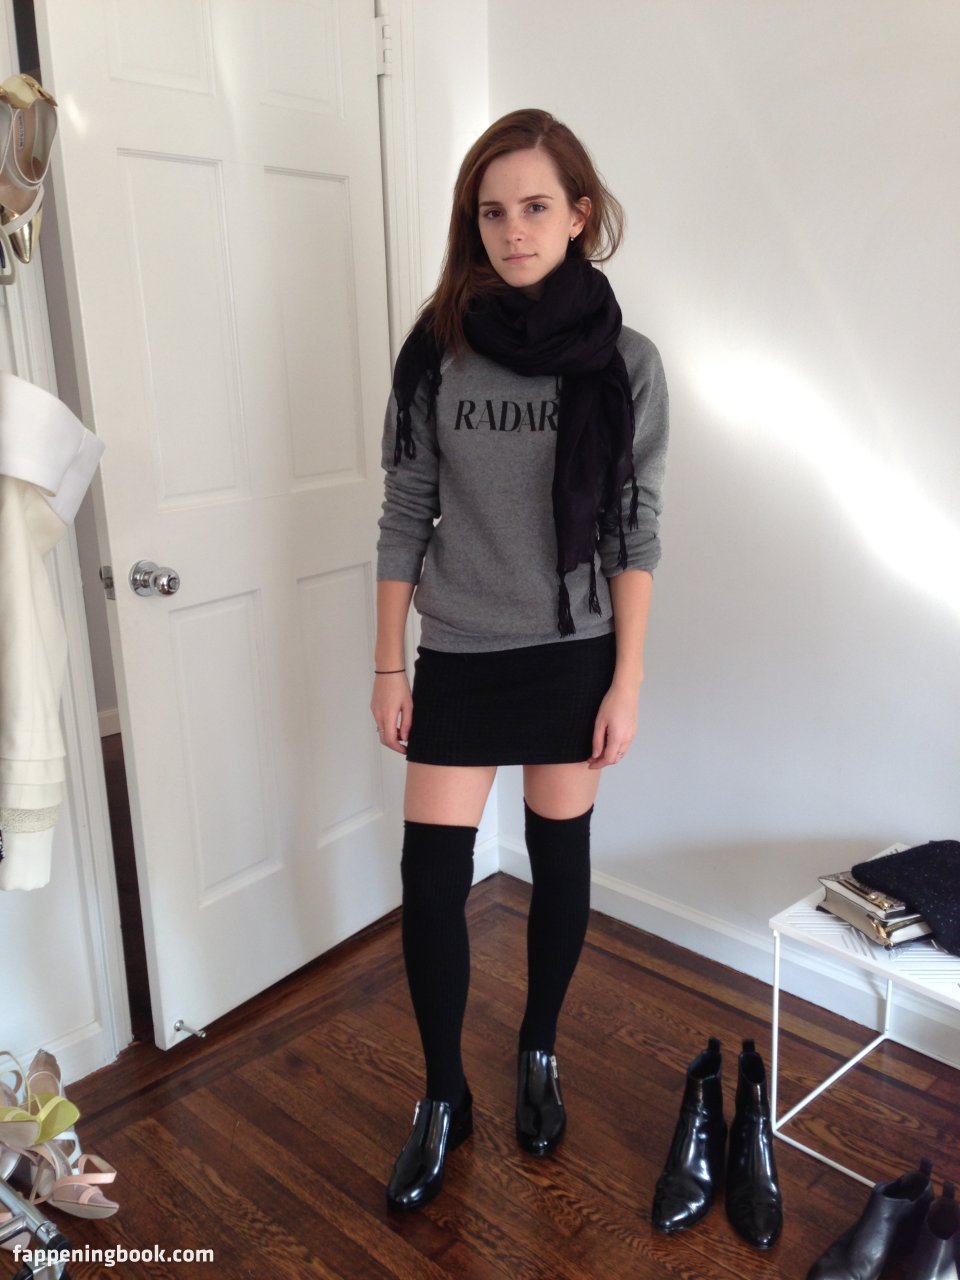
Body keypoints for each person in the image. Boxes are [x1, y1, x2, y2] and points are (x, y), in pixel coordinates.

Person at [371, 108, 669, 1213]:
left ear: (580, 213)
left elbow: (634, 532)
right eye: (492, 212)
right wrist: (389, 665)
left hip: (573, 649)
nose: (513, 231)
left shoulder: (627, 363)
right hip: (459, 645)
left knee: (560, 856)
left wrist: (627, 681)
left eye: (536, 206)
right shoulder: (436, 347)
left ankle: (538, 1047)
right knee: (430, 880)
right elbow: (405, 508)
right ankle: (442, 1092)